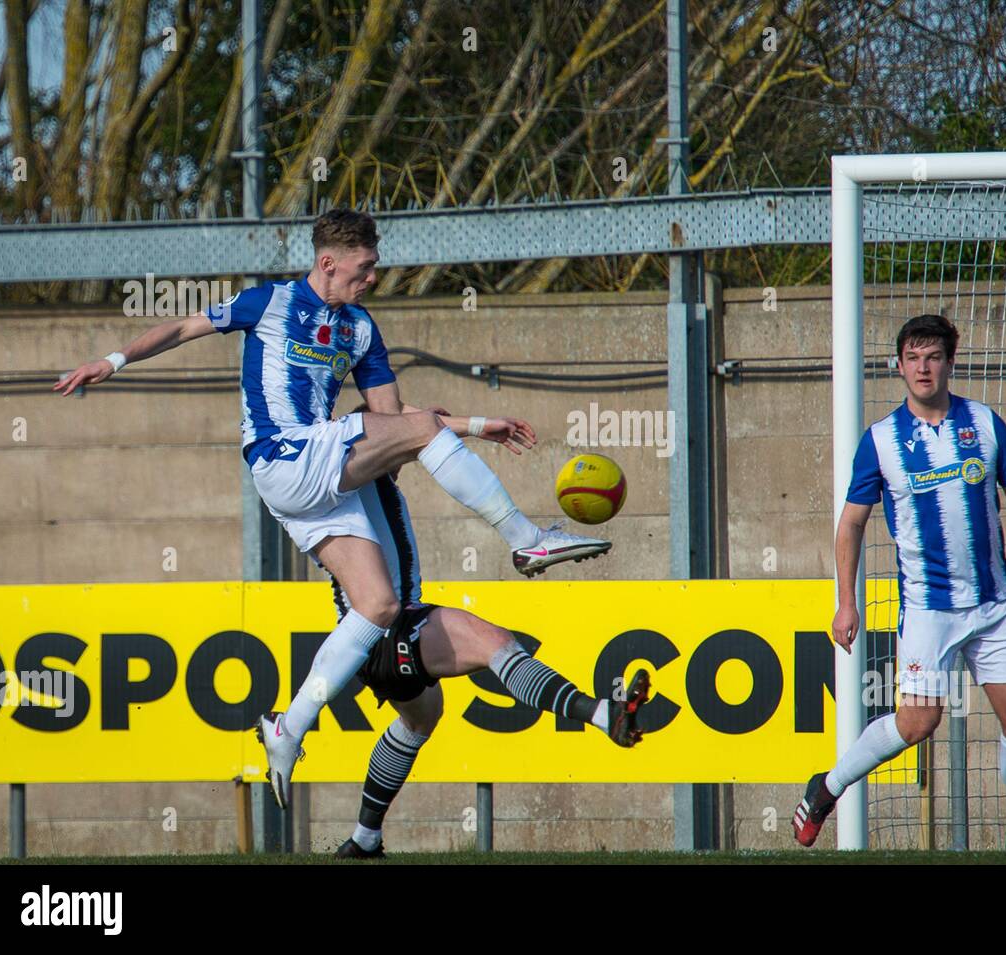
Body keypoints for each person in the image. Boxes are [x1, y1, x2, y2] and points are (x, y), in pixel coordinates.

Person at [53, 208, 613, 811]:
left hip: (321, 479)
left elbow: (397, 419)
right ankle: (526, 538)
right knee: (418, 439)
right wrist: (111, 361)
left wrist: (474, 426)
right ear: (328, 262)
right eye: (365, 267)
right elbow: (183, 329)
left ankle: (288, 728)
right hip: (284, 453)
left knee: (379, 604)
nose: (372, 277)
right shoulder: (267, 303)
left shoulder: (361, 328)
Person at [324, 406, 648, 858]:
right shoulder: (344, 474)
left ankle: (363, 840)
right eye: (387, 435)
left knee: (419, 719)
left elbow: (417, 422)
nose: (399, 447)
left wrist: (468, 426)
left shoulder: (358, 475)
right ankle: (603, 714)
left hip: (371, 640)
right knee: (496, 644)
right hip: (388, 627)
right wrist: (473, 427)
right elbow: (405, 426)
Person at [792, 313, 1006, 852]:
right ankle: (826, 788)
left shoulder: (985, 423)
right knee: (918, 723)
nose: (923, 367)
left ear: (949, 362)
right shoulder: (881, 440)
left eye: (933, 356)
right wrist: (846, 603)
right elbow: (851, 523)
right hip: (927, 609)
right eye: (913, 358)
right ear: (898, 366)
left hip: (992, 603)